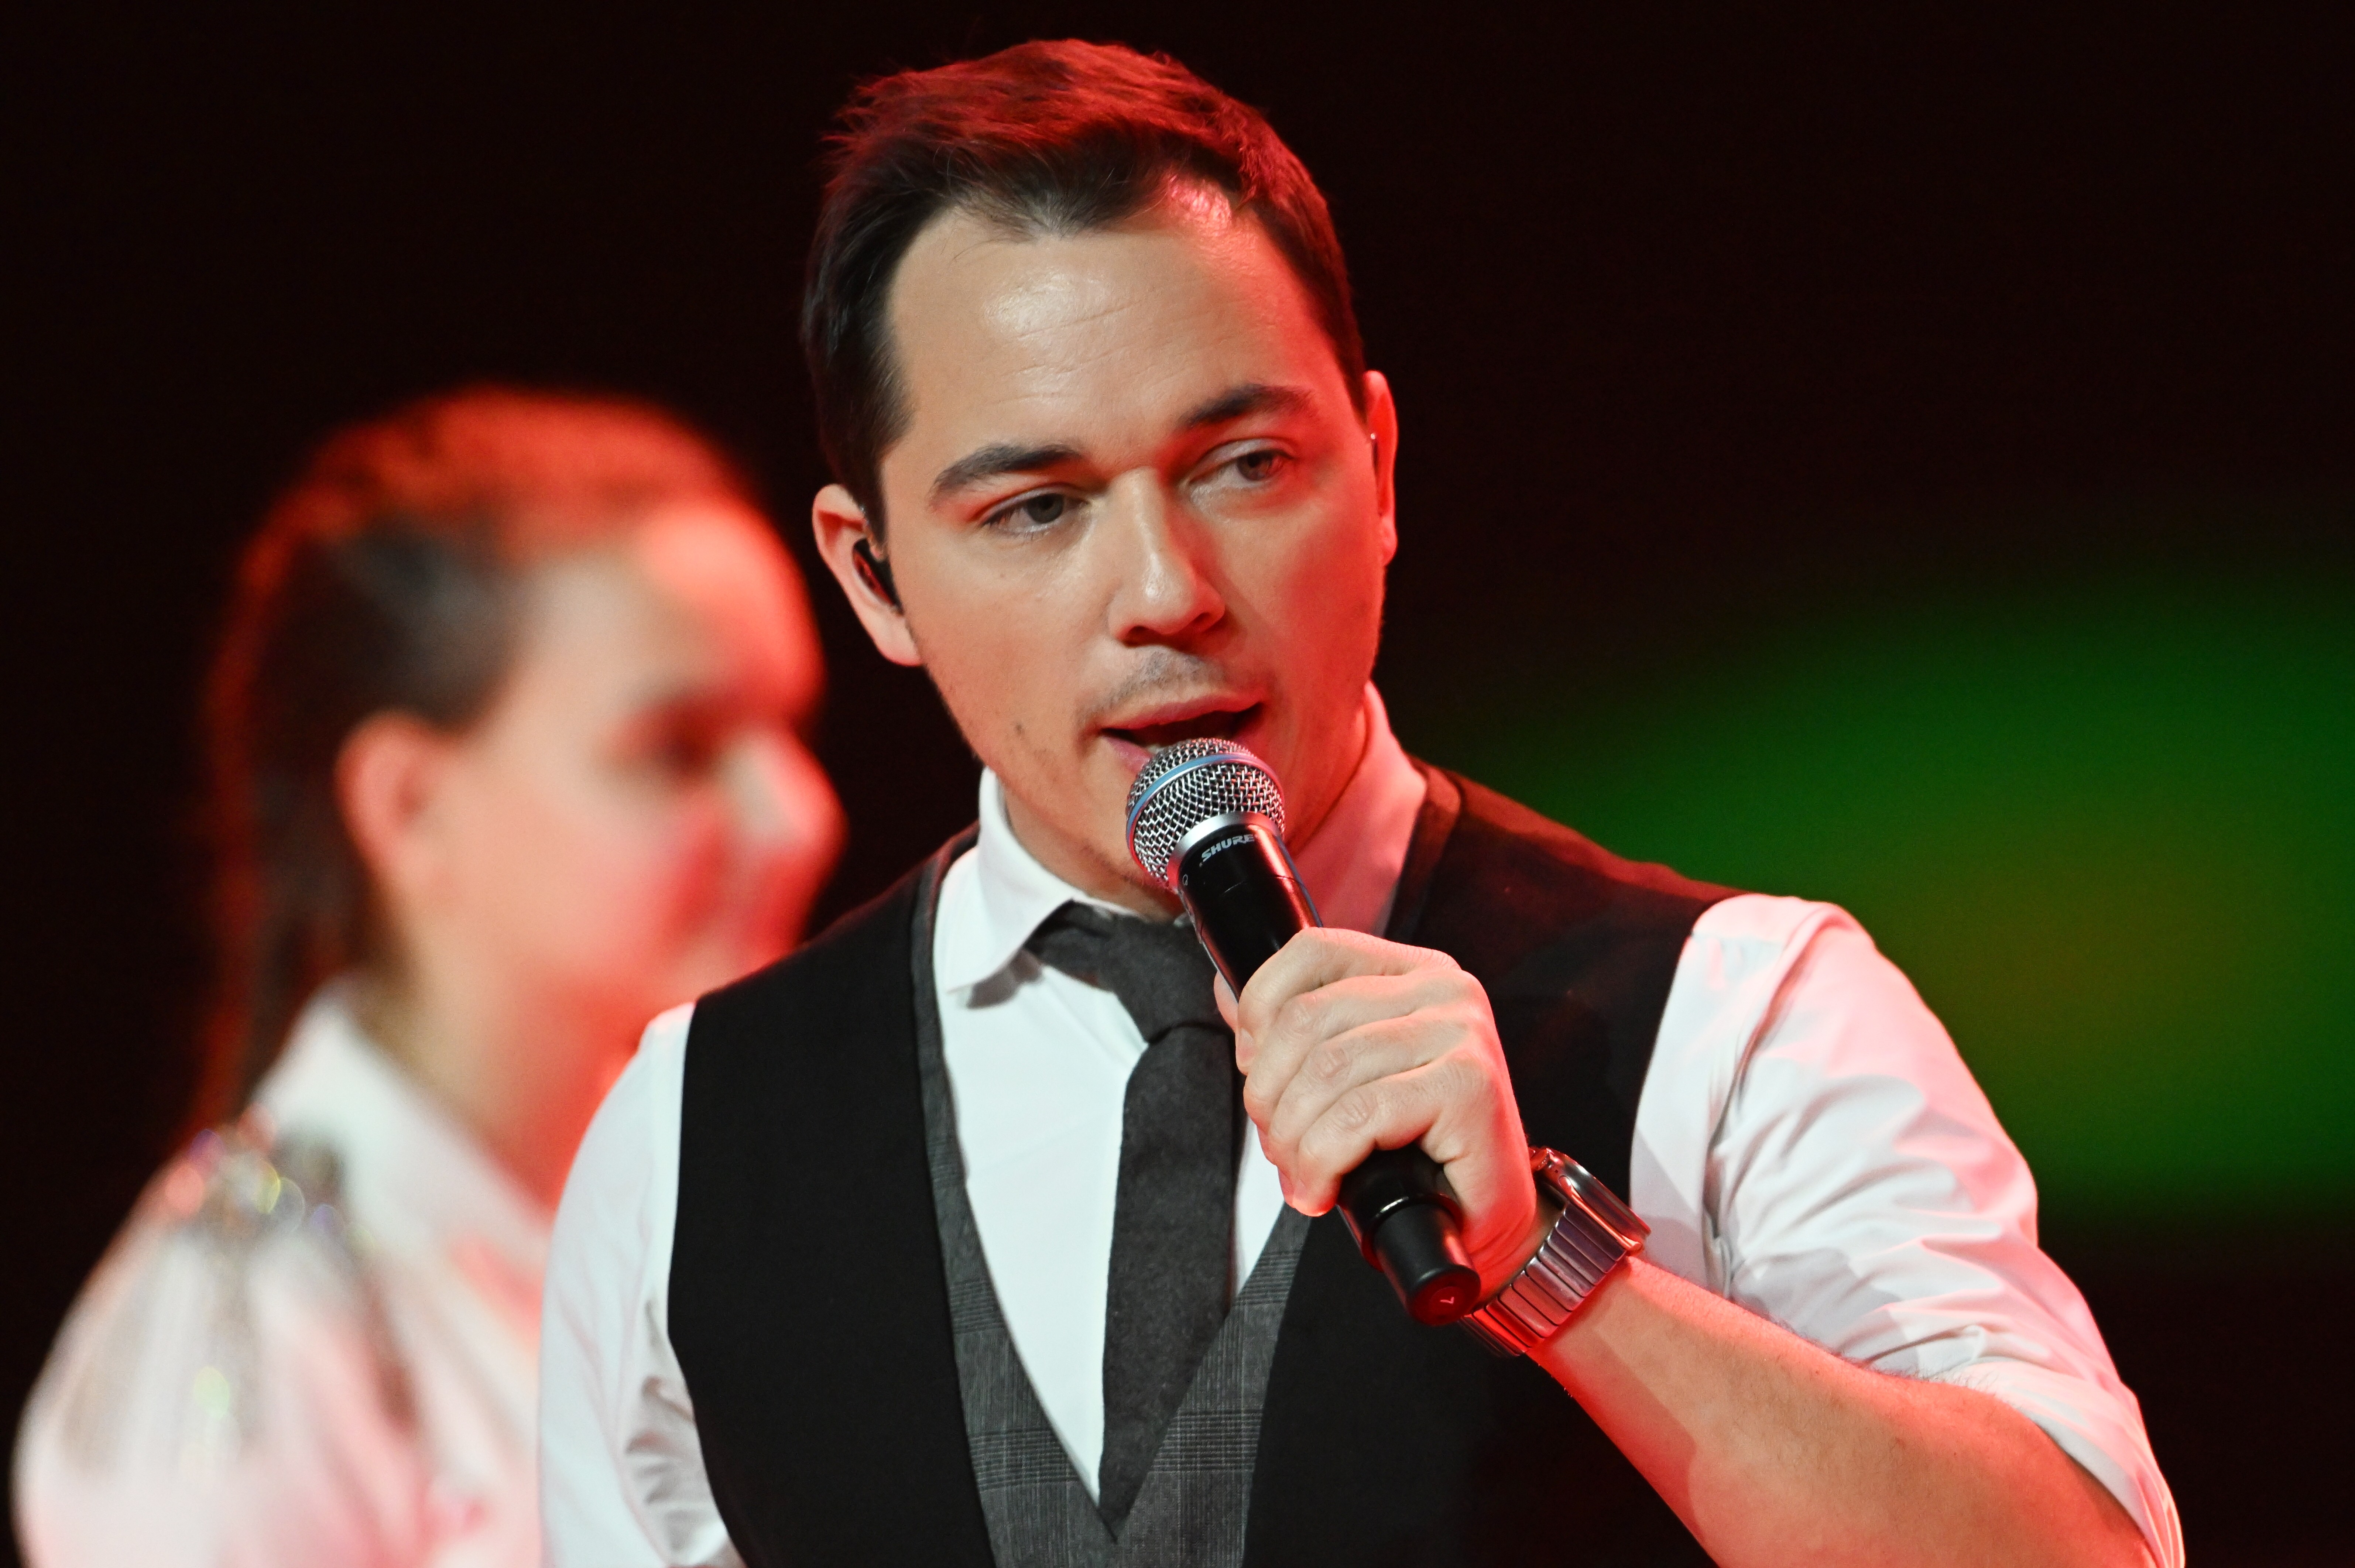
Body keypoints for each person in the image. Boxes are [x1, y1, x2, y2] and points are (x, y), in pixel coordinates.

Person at [540, 41, 2181, 1568]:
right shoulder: (695, 1130)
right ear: (875, 575)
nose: (1165, 592)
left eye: (1242, 467)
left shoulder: (1737, 1019)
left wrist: (1552, 1271)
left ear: (1379, 466)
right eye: (1037, 509)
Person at [15, 387, 844, 1567]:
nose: (798, 817)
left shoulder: (743, 1186)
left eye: (790, 730)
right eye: (676, 750)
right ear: (410, 805)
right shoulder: (250, 1338)